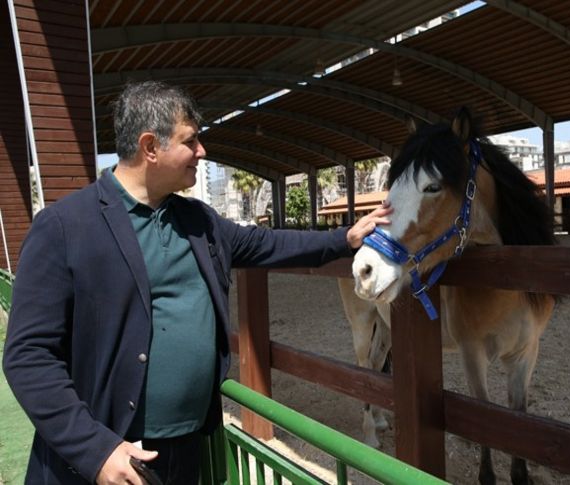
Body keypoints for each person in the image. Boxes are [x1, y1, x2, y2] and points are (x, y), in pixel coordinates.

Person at [2, 81, 391, 485]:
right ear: (150, 147)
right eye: (191, 141)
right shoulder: (64, 227)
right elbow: (28, 357)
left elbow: (269, 243)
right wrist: (94, 450)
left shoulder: (199, 222)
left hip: (186, 448)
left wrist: (344, 239)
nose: (202, 152)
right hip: (108, 457)